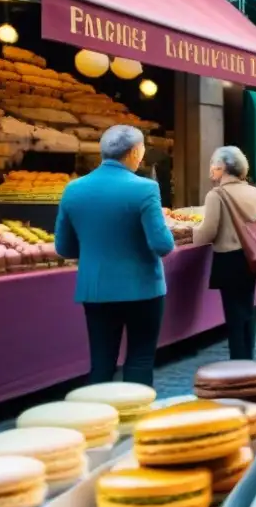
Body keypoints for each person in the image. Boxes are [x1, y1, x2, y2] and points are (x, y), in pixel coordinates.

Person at [54, 125, 175, 386]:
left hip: (95, 289)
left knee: (101, 362)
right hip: (142, 288)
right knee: (140, 359)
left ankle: (99, 422)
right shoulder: (145, 188)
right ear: (134, 153)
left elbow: (64, 248)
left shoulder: (73, 189)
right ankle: (135, 419)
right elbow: (162, 244)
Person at [192, 146, 256, 360]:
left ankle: (238, 361)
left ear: (223, 167)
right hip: (252, 257)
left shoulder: (216, 195)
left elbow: (208, 232)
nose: (211, 170)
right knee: (247, 307)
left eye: (213, 165)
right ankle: (248, 356)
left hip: (228, 258)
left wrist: (191, 234)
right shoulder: (255, 192)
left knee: (233, 313)